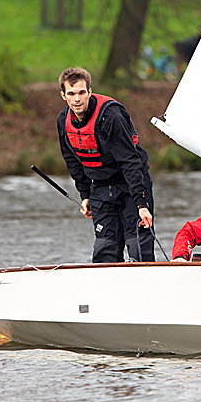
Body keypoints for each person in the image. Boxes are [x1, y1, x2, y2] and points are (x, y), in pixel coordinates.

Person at [57, 66, 156, 263]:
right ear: (63, 95)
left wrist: (142, 204)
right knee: (105, 248)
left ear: (89, 92)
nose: (77, 99)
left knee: (137, 245)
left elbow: (130, 161)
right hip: (100, 187)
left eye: (81, 93)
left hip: (130, 184)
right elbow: (73, 162)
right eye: (71, 93)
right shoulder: (63, 120)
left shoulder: (110, 116)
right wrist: (85, 195)